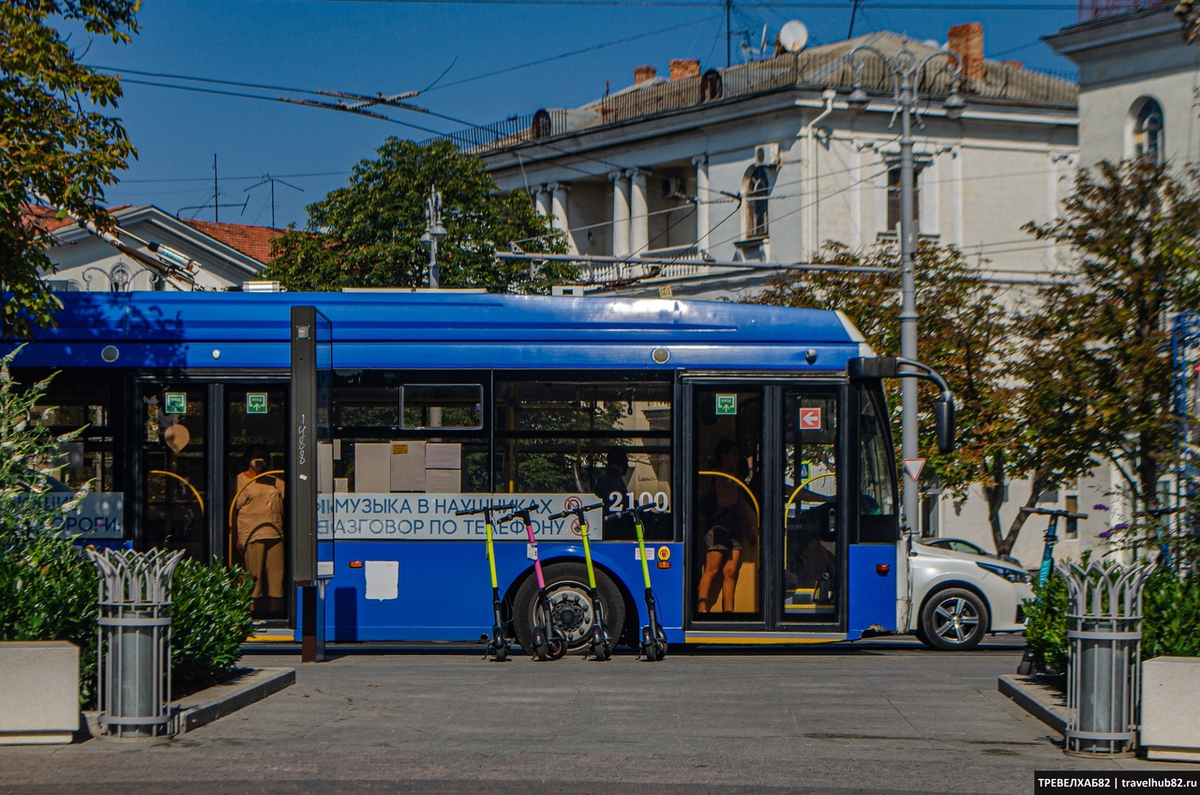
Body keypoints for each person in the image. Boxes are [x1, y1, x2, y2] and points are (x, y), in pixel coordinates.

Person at [697, 438, 755, 612]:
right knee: (712, 569)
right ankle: (702, 609)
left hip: (733, 523)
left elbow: (741, 508)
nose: (737, 458)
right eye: (734, 454)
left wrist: (748, 530)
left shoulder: (734, 479)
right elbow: (701, 500)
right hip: (717, 521)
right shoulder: (712, 476)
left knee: (731, 569)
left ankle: (728, 611)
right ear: (724, 456)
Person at [231, 445, 285, 615]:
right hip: (251, 533)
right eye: (256, 455)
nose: (259, 459)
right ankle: (251, 611)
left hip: (275, 532)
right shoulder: (239, 479)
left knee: (277, 575)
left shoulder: (275, 480)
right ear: (248, 458)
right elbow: (234, 509)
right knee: (253, 575)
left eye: (263, 456)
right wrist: (235, 537)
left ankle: (275, 611)